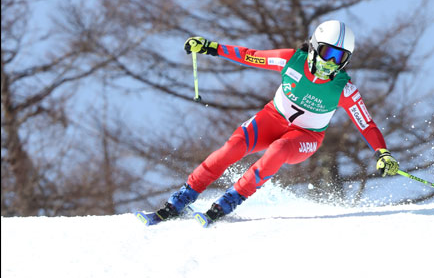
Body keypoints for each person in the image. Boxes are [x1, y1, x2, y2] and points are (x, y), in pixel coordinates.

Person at [141, 20, 399, 227]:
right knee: (230, 151)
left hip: (305, 136)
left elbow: (366, 124)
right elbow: (250, 55)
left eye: (339, 57)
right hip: (271, 119)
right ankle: (184, 196)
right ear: (313, 47)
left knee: (278, 151)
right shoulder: (291, 60)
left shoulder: (344, 88)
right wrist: (210, 47)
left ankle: (232, 199)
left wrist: (382, 153)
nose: (330, 62)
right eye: (326, 52)